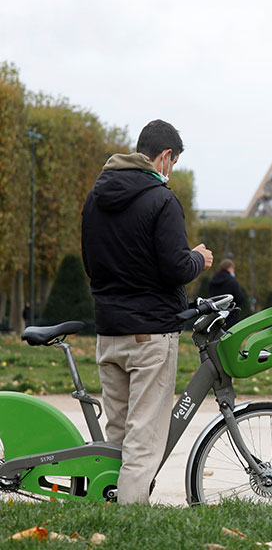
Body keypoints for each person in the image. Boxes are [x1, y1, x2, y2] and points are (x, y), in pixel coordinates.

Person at [81, 119, 213, 504]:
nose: (170, 172)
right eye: (172, 163)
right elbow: (175, 267)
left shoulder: (96, 196)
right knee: (144, 439)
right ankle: (130, 523)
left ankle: (106, 510)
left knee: (118, 434)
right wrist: (197, 259)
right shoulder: (163, 200)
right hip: (149, 334)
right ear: (165, 156)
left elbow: (91, 263)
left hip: (109, 332)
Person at [207, 259, 247, 328]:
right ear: (230, 268)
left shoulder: (213, 280)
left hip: (216, 314)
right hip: (230, 315)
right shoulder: (232, 282)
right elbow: (239, 298)